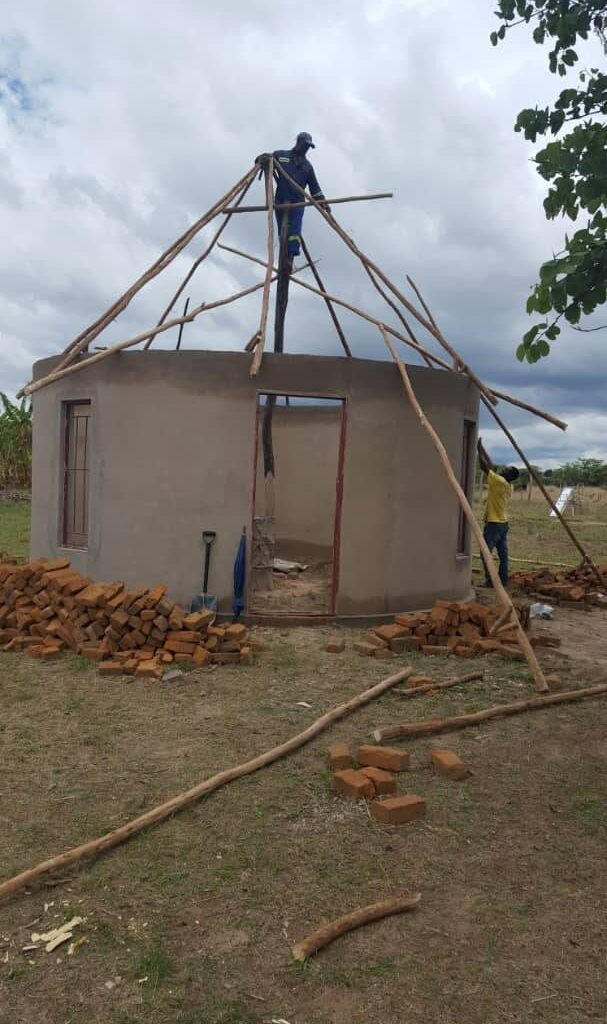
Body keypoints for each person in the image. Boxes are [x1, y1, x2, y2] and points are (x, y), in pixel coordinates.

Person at [255, 132, 330, 260]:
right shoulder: (282, 156)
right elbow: (266, 158)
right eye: (305, 145)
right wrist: (262, 159)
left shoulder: (307, 167)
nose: (306, 149)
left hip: (297, 202)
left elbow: (315, 189)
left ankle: (291, 254)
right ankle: (284, 254)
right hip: (281, 199)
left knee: (295, 231)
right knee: (282, 232)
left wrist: (322, 202)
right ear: (298, 142)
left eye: (309, 147)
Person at [476, 437, 520, 587]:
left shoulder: (500, 482)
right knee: (503, 555)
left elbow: (485, 467)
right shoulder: (506, 484)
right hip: (503, 523)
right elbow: (492, 466)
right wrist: (481, 448)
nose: (503, 470)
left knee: (485, 553)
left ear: (509, 476)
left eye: (506, 470)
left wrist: (478, 450)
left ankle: (491, 581)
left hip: (494, 523)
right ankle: (503, 580)